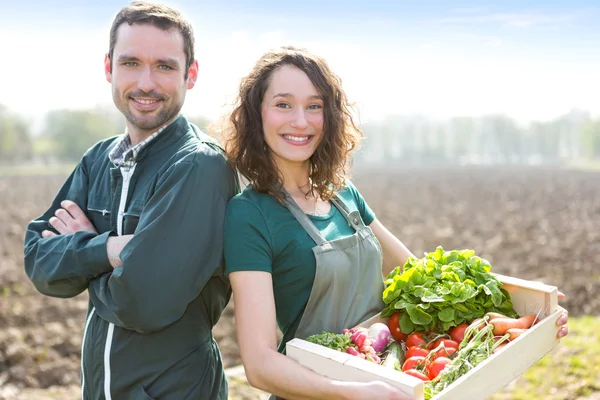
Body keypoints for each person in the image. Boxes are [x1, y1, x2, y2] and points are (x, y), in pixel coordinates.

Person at [222, 46, 569, 400]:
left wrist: (524, 310)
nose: (301, 120)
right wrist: (352, 392)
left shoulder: (343, 195)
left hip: (386, 377)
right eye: (283, 104)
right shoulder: (249, 215)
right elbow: (260, 364)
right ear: (257, 114)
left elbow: (419, 279)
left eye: (315, 105)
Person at [23, 2, 238, 399]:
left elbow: (141, 302)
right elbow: (38, 262)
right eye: (131, 62)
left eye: (165, 66)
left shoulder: (199, 167)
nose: (146, 82)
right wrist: (112, 250)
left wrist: (82, 258)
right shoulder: (98, 159)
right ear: (109, 68)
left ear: (191, 74)